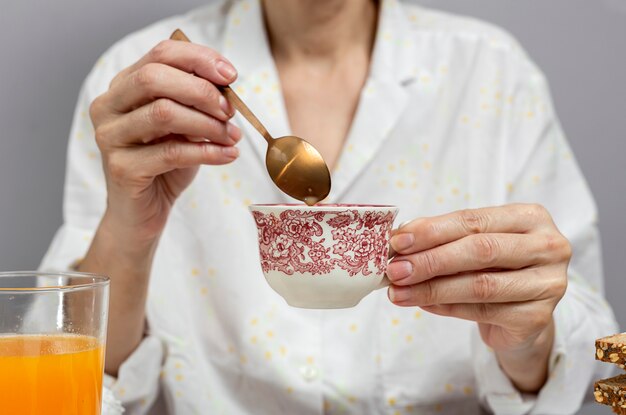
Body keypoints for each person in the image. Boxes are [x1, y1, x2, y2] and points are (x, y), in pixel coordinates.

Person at [41, 0, 618, 413]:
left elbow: (601, 361)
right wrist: (130, 229)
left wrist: (530, 339)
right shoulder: (151, 87)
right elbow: (64, 389)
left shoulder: (492, 71)